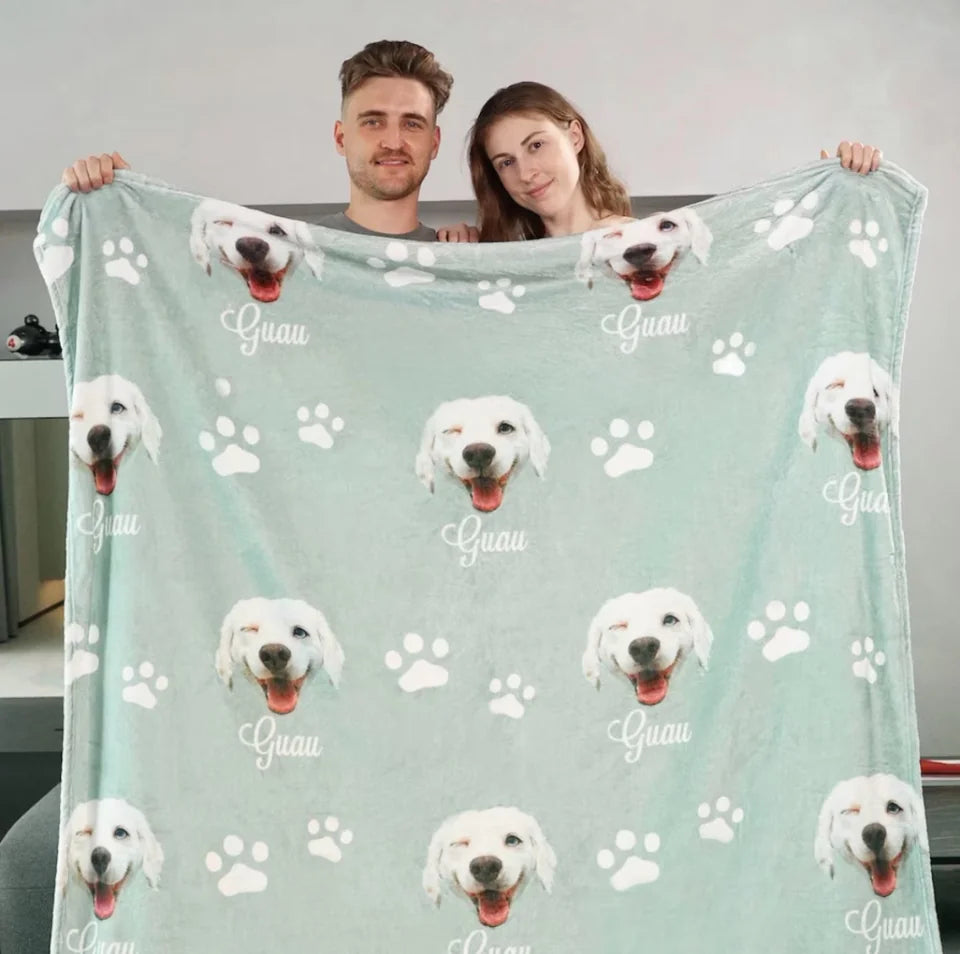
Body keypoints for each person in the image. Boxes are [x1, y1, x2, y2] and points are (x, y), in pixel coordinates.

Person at [59, 40, 477, 242]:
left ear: (434, 142)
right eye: (372, 122)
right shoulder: (281, 250)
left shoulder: (461, 262)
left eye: (412, 124)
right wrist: (124, 203)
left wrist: (477, 256)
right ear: (340, 137)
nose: (393, 141)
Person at [465, 80, 882, 242]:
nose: (526, 172)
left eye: (536, 145)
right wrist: (451, 252)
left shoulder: (651, 243)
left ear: (574, 136)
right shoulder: (504, 264)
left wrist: (834, 195)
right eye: (505, 163)